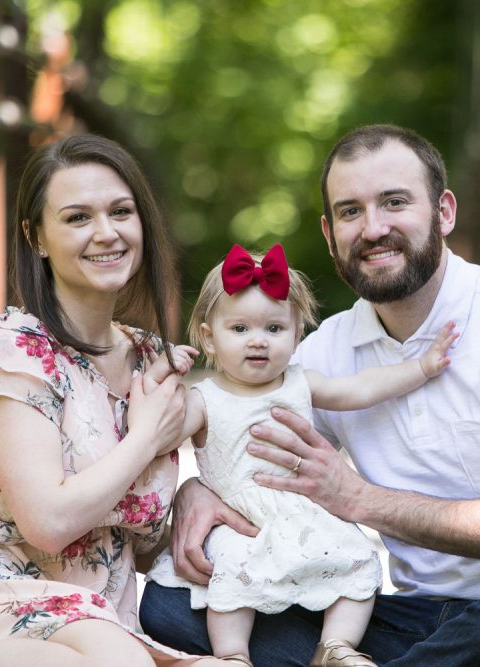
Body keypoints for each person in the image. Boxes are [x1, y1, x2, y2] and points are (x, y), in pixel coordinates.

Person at [139, 124, 480, 666]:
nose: (373, 228)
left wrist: (357, 499)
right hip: (408, 624)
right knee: (172, 604)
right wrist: (198, 491)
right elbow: (247, 446)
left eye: (394, 202)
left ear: (444, 212)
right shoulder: (318, 355)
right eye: (351, 211)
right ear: (330, 235)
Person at [0, 134, 232, 667]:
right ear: (38, 238)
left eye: (122, 211)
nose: (107, 233)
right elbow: (48, 523)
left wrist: (191, 495)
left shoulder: (150, 361)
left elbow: (128, 539)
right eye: (77, 218)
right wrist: (146, 438)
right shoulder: (16, 350)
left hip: (94, 619)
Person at [144, 243, 458, 667]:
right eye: (239, 329)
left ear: (297, 336)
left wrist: (420, 368)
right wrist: (160, 374)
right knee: (233, 572)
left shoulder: (300, 383)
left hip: (301, 512)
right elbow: (154, 436)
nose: (258, 341)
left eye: (274, 329)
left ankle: (336, 647)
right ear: (208, 338)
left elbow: (362, 387)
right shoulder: (204, 400)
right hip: (241, 518)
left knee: (355, 559)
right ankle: (233, 655)